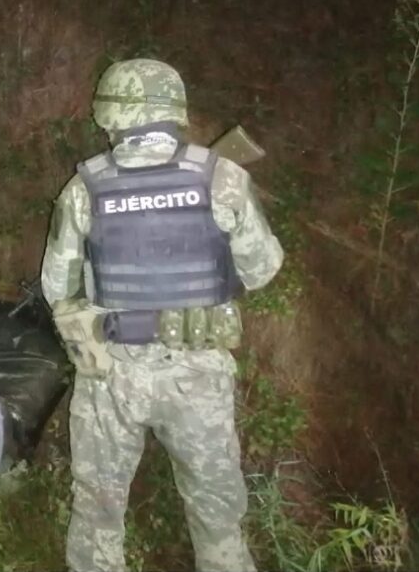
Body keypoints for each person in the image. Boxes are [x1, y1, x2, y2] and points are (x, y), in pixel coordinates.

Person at [41, 59, 283, 572]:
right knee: (217, 519)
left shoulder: (84, 189)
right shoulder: (222, 177)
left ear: (109, 115)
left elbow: (56, 288)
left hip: (111, 375)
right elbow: (263, 269)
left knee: (98, 518)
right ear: (175, 109)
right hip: (197, 375)